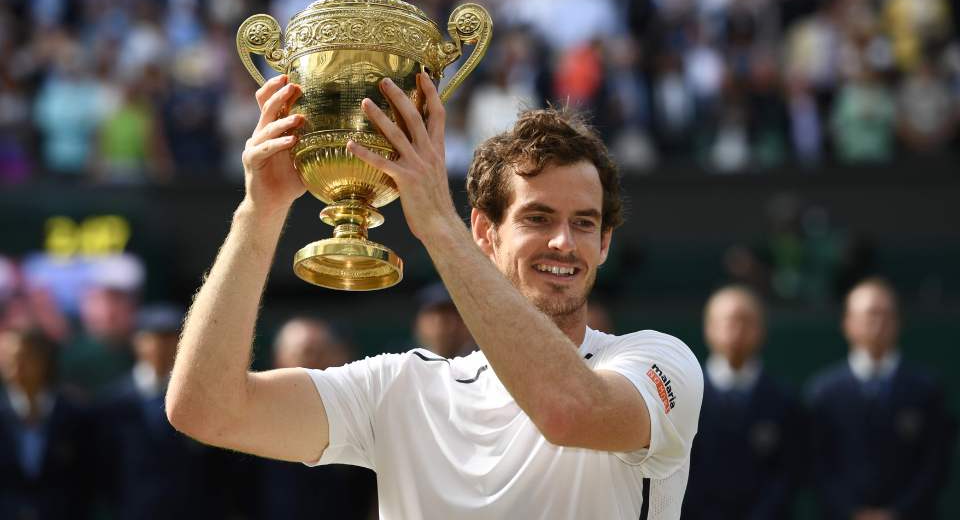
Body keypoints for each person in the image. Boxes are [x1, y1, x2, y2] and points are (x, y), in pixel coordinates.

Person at [166, 73, 704, 519]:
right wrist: (260, 212)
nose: (564, 241)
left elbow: (568, 411)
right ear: (486, 232)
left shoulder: (657, 361)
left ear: (605, 242)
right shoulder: (400, 389)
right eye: (537, 218)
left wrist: (437, 225)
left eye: (584, 224)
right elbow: (205, 409)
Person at [806, 278, 956, 520]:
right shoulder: (823, 391)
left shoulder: (927, 389)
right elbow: (817, 465)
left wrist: (897, 513)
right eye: (869, 314)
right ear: (848, 323)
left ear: (898, 323)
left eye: (886, 314)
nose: (878, 322)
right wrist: (851, 512)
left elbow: (935, 464)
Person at [96, 304, 239, 520]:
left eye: (170, 338)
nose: (161, 346)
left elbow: (220, 468)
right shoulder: (113, 403)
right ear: (137, 343)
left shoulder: (202, 397)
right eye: (154, 338)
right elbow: (104, 469)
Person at [682, 286, 805, 520]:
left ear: (761, 330)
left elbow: (789, 475)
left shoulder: (784, 400)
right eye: (729, 321)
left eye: (746, 321)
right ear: (709, 328)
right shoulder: (684, 398)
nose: (737, 329)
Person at [252, 317, 377, 520]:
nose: (318, 361)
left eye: (324, 352)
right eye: (307, 352)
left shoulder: (360, 420)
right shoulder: (255, 425)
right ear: (280, 361)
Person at [0, 327, 95, 519]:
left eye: (22, 356)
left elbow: (87, 480)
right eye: (6, 358)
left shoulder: (74, 415)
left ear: (44, 360)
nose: (14, 365)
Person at [413, 282, 475, 358]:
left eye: (450, 313)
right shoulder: (405, 364)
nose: (440, 322)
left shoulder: (486, 361)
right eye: (432, 313)